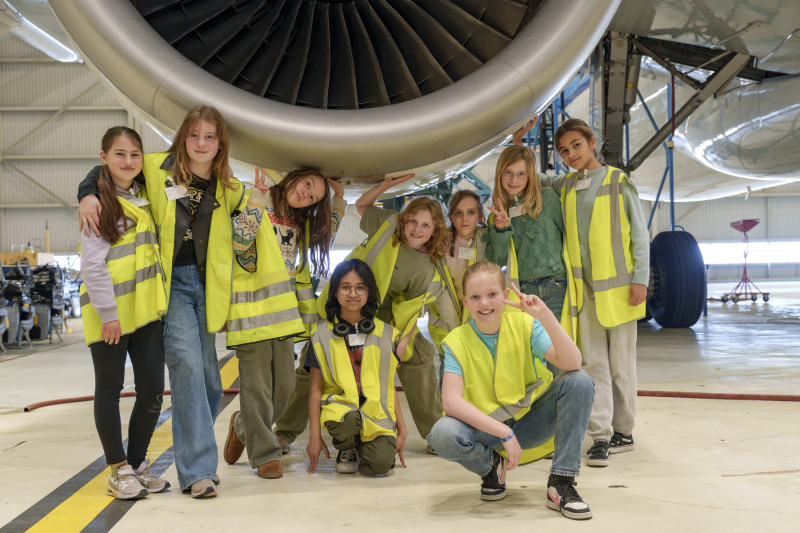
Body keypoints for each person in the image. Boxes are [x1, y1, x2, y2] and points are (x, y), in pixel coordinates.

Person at [78, 105, 248, 498]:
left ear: (220, 142)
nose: (201, 143)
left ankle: (187, 459)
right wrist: (87, 193)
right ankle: (198, 470)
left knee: (207, 378)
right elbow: (113, 165)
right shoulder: (157, 169)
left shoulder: (231, 189)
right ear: (182, 137)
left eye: (209, 136)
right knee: (186, 368)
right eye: (194, 135)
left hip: (211, 289)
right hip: (170, 285)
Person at [276, 175, 459, 451]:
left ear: (434, 231)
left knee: (419, 355)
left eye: (425, 225)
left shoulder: (427, 268)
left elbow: (411, 311)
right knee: (314, 359)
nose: (416, 229)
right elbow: (361, 204)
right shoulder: (388, 225)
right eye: (412, 221)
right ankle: (286, 431)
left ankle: (435, 434)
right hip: (344, 299)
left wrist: (403, 341)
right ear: (404, 219)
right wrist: (388, 185)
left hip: (380, 315)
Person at [426, 261, 595, 520]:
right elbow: (451, 402)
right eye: (475, 297)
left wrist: (545, 316)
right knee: (441, 434)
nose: (484, 303)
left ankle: (561, 482)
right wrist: (503, 432)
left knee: (580, 381)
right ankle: (493, 468)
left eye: (492, 294)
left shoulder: (526, 325)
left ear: (505, 296)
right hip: (489, 432)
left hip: (532, 422)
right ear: (465, 300)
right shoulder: (456, 342)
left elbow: (572, 362)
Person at [222, 168, 345, 479]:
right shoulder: (257, 202)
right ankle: (265, 455)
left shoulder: (298, 225)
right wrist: (258, 199)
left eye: (314, 197)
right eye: (306, 185)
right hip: (250, 315)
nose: (306, 195)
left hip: (283, 318)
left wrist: (339, 202)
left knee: (285, 391)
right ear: (293, 178)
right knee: (257, 389)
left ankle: (241, 425)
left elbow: (325, 234)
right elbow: (238, 243)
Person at [550, 118, 650, 467]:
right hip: (584, 291)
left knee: (622, 365)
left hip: (621, 291)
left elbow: (639, 233)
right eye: (564, 150)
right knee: (594, 365)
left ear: (592, 142)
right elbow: (527, 179)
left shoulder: (617, 181)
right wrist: (517, 140)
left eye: (576, 145)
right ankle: (601, 436)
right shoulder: (565, 185)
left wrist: (641, 278)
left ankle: (625, 430)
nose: (570, 154)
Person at [79, 126, 169, 500]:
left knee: (151, 390)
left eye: (135, 154)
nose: (128, 162)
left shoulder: (144, 196)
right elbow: (93, 266)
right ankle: (117, 468)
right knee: (109, 390)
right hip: (110, 317)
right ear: (104, 158)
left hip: (147, 314)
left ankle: (136, 462)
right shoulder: (99, 204)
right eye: (119, 154)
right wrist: (108, 314)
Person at [306, 259, 407, 476]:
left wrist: (402, 428)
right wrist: (314, 437)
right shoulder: (320, 334)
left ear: (369, 292)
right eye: (346, 287)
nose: (353, 294)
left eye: (360, 287)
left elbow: (387, 385)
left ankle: (368, 446)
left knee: (379, 466)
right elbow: (315, 390)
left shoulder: (387, 334)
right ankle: (347, 447)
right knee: (348, 421)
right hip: (342, 413)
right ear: (334, 291)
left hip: (375, 415)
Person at [485, 144, 569, 320]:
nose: (514, 179)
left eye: (521, 173)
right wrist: (502, 230)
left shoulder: (548, 199)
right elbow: (497, 260)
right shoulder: (497, 215)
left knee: (559, 345)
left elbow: (570, 240)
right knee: (530, 346)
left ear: (530, 176)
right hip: (522, 290)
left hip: (557, 286)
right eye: (508, 172)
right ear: (500, 173)